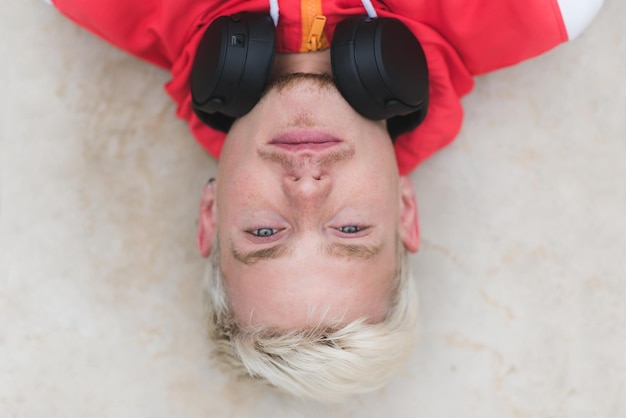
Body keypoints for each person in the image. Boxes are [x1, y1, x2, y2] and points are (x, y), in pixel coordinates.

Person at [46, 0, 604, 402]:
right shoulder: (547, 8)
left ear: (211, 216)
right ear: (405, 211)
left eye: (265, 233)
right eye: (350, 231)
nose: (306, 190)